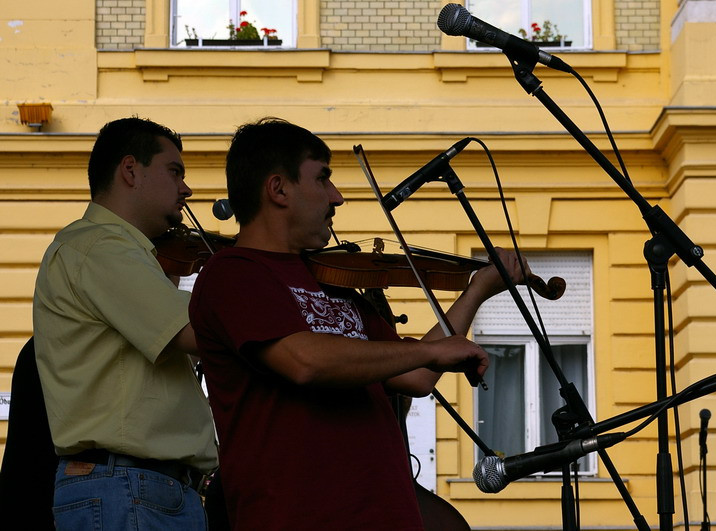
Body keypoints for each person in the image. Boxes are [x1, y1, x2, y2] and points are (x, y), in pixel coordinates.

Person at [189, 117, 527, 530]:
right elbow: (305, 362)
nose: (337, 197)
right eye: (323, 179)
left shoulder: (333, 281)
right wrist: (429, 349)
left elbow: (418, 375)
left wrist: (476, 291)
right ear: (278, 189)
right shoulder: (233, 273)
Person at [33, 117, 218, 529]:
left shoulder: (125, 252)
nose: (186, 189)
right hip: (129, 486)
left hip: (135, 486)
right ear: (131, 170)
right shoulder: (101, 245)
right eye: (175, 172)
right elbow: (197, 331)